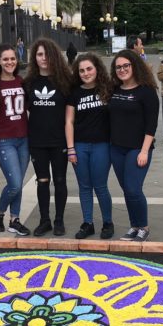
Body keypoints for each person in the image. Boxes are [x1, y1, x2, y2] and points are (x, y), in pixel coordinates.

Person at [108, 49, 159, 242]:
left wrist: (144, 150)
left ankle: (143, 226)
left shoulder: (146, 91)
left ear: (134, 65)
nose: (122, 70)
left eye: (125, 65)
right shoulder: (114, 89)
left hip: (138, 149)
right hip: (117, 148)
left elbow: (151, 124)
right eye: (118, 67)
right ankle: (134, 225)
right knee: (126, 189)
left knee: (133, 188)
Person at [24, 38, 73, 236]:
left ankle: (59, 220)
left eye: (46, 54)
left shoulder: (65, 81)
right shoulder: (28, 83)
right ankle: (45, 220)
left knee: (60, 180)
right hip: (37, 141)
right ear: (34, 58)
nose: (43, 58)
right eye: (39, 54)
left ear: (54, 55)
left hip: (59, 140)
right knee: (42, 181)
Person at [65, 53, 114, 240]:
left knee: (100, 186)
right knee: (84, 186)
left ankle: (107, 222)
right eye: (82, 70)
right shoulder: (75, 92)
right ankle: (88, 223)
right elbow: (68, 121)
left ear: (97, 69)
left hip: (102, 145)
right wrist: (71, 149)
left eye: (89, 69)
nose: (85, 73)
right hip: (80, 145)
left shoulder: (108, 89)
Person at [0, 44, 31, 236]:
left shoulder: (22, 82)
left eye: (12, 58)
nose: (9, 62)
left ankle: (15, 219)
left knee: (19, 182)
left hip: (24, 139)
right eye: (5, 59)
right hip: (4, 140)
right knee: (14, 183)